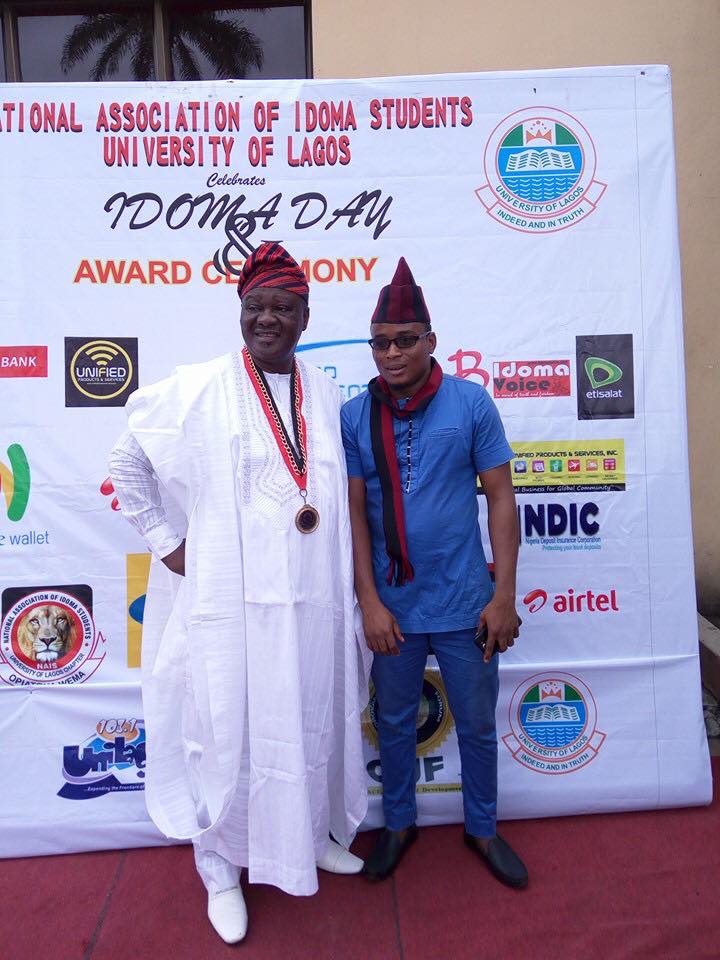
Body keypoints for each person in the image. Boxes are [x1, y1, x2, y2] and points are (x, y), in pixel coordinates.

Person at [109, 241, 371, 944]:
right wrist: (169, 544)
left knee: (310, 719)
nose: (267, 319)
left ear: (305, 317)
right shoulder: (200, 386)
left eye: (282, 307)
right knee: (224, 733)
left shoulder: (324, 392)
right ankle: (220, 868)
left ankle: (308, 837)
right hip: (230, 607)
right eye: (255, 306)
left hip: (311, 604)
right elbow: (127, 463)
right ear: (240, 312)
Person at [340, 258, 528, 888]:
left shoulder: (470, 403)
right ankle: (398, 824)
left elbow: (500, 498)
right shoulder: (355, 415)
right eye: (380, 343)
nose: (391, 354)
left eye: (404, 340)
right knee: (392, 722)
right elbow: (354, 516)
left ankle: (483, 828)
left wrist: (503, 596)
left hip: (466, 601)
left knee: (475, 722)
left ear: (430, 340)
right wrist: (369, 602)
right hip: (392, 606)